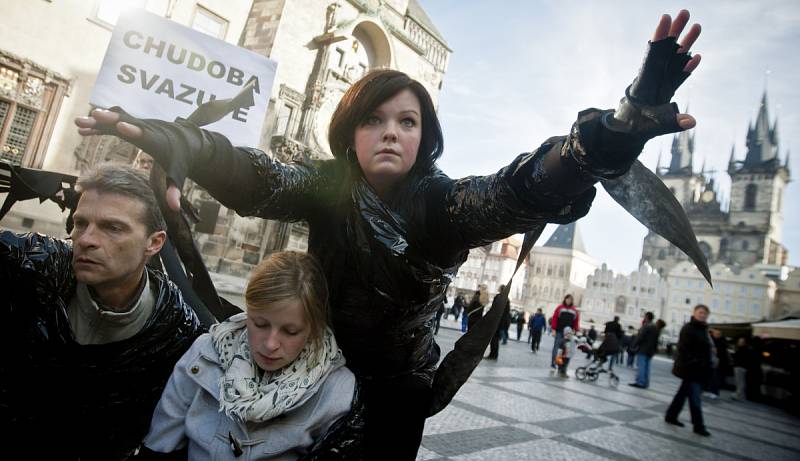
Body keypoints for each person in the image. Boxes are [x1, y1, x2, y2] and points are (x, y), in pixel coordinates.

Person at [76, 11, 702, 458]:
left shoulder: (442, 202)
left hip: (392, 402)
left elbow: (517, 189)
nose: (391, 131)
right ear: (351, 130)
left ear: (424, 136)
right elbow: (257, 176)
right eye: (374, 118)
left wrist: (607, 132)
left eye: (408, 120)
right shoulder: (326, 184)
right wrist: (186, 140)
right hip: (309, 375)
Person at [0, 164, 203, 460]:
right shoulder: (27, 266)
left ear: (154, 243)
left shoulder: (178, 337)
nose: (85, 239)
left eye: (113, 227)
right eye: (81, 223)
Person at [141, 251, 355, 459]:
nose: (271, 344)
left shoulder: (338, 390)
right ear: (247, 312)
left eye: (290, 331)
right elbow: (161, 443)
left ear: (314, 329)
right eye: (260, 324)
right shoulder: (204, 354)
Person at [665, 304, 712, 437]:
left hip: (698, 369)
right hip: (691, 369)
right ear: (694, 313)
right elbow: (683, 349)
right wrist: (696, 362)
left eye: (705, 313)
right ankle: (699, 426)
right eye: (700, 312)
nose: (703, 315)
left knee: (682, 394)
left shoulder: (703, 329)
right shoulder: (689, 328)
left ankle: (671, 415)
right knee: (695, 399)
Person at [629, 312, 666, 388]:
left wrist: (633, 345)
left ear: (647, 317)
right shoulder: (656, 328)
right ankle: (645, 383)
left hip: (643, 349)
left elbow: (640, 337)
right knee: (647, 367)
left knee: (641, 366)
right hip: (650, 351)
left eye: (644, 316)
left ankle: (640, 382)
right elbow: (656, 341)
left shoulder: (647, 326)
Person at [551, 294, 580, 369]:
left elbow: (576, 321)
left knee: (566, 350)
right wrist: (553, 329)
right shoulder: (560, 308)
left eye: (570, 299)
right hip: (559, 331)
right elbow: (554, 318)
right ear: (565, 299)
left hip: (568, 333)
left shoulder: (574, 310)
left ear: (572, 301)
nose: (569, 301)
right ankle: (553, 364)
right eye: (567, 299)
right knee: (556, 348)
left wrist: (575, 330)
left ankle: (561, 365)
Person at [706, 329, 730, 400]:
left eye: (718, 333)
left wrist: (715, 350)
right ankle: (711, 391)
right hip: (713, 362)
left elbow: (719, 352)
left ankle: (715, 392)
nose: (716, 335)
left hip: (719, 363)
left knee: (716, 378)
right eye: (715, 333)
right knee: (711, 377)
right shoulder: (713, 341)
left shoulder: (722, 342)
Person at [487, 286, 510, 359]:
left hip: (496, 321)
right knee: (496, 339)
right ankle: (494, 354)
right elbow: (506, 313)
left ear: (500, 289)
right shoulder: (507, 299)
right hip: (501, 322)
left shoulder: (498, 297)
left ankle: (492, 355)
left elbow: (494, 308)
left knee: (494, 339)